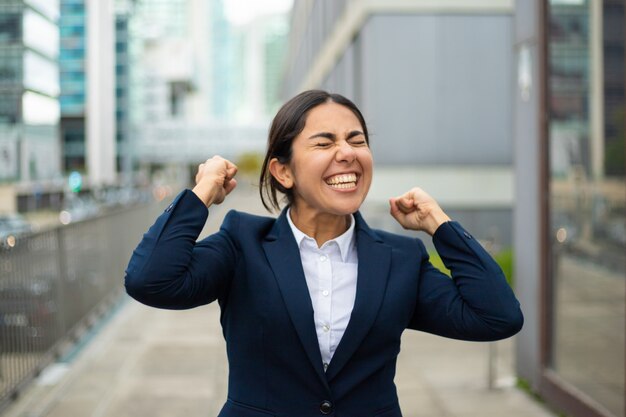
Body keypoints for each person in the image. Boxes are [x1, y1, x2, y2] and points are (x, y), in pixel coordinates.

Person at [125, 90, 523, 417]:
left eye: (357, 140)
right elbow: (151, 280)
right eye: (324, 142)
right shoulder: (242, 243)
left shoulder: (400, 259)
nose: (347, 153)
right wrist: (202, 195)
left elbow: (497, 317)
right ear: (284, 171)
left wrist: (439, 224)